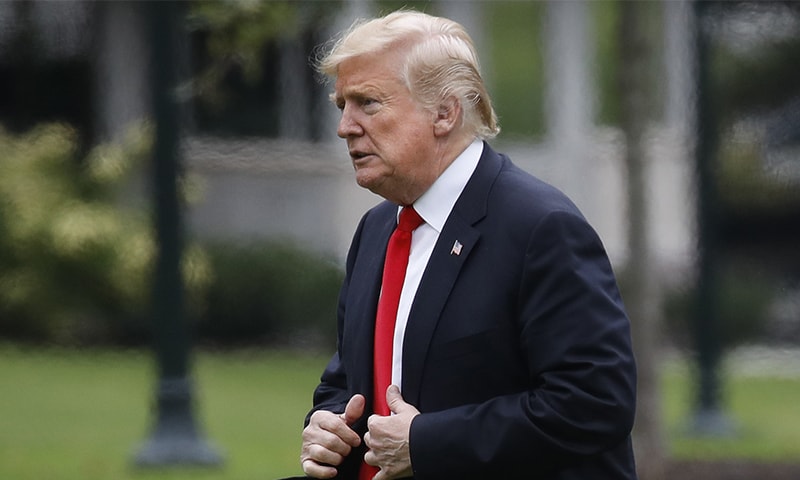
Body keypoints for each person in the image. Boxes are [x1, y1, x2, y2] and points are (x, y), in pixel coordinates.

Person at [298, 9, 637, 480]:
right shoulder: (378, 229)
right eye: (342, 105)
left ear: (444, 112)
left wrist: (428, 442)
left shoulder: (541, 227)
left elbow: (594, 403)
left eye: (368, 103)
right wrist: (329, 425)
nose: (345, 126)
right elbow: (348, 378)